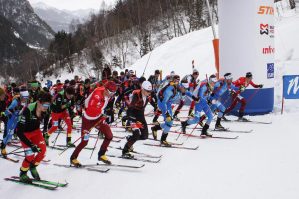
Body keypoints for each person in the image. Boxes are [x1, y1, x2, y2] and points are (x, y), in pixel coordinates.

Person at [70, 81, 118, 167]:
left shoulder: (106, 93)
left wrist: (104, 113)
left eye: (113, 93)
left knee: (109, 135)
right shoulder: (97, 96)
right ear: (106, 89)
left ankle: (101, 154)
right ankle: (73, 158)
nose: (111, 95)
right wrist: (103, 114)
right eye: (110, 92)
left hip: (97, 118)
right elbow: (91, 111)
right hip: (88, 120)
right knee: (84, 142)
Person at [16, 92, 52, 183]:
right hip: (25, 133)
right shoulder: (28, 110)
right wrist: (31, 145)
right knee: (30, 155)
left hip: (36, 132)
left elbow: (46, 120)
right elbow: (19, 132)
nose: (46, 107)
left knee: (42, 151)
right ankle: (23, 173)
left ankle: (33, 167)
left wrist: (45, 131)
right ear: (38, 102)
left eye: (48, 105)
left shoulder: (46, 109)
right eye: (44, 104)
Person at [151, 75, 185, 146]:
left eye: (178, 80)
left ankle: (155, 128)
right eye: (176, 80)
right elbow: (163, 102)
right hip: (163, 104)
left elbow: (185, 92)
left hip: (168, 103)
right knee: (169, 122)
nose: (177, 82)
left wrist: (194, 97)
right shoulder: (169, 89)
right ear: (173, 80)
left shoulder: (177, 86)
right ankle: (163, 140)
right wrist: (166, 114)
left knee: (168, 122)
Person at [122, 81, 153, 158]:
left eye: (150, 91)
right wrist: (132, 119)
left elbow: (153, 101)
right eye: (147, 91)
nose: (149, 93)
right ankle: (125, 151)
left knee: (145, 136)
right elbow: (130, 107)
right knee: (136, 134)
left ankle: (130, 138)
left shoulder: (148, 96)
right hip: (132, 114)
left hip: (140, 115)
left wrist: (156, 107)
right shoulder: (137, 95)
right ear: (142, 89)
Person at [1, 89, 30, 157]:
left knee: (21, 133)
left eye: (27, 98)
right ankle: (2, 147)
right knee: (8, 134)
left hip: (17, 119)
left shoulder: (26, 101)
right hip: (11, 120)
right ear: (21, 96)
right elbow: (7, 111)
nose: (25, 99)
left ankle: (27, 149)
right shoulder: (15, 101)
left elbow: (25, 109)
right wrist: (15, 109)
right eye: (24, 98)